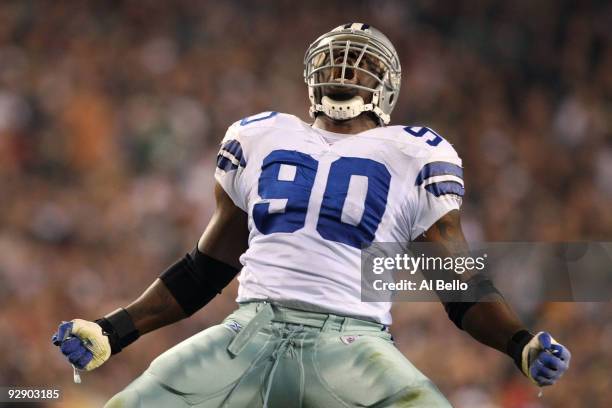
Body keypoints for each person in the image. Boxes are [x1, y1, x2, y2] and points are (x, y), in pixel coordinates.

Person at [52, 23, 570, 407]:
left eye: (362, 64)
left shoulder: (415, 152)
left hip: (353, 343)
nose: (345, 72)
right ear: (309, 77)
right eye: (335, 61)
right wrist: (112, 330)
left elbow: (459, 286)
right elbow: (202, 270)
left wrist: (520, 344)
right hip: (246, 330)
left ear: (387, 87)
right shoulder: (260, 134)